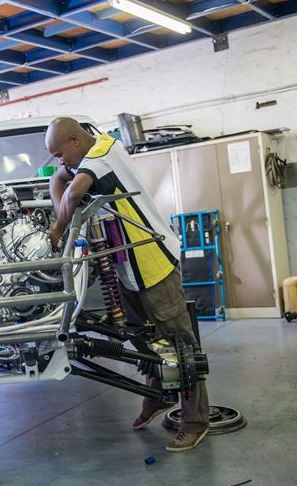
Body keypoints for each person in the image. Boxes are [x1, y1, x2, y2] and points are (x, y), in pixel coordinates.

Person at [45, 117, 210, 452]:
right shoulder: (86, 157)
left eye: (61, 152)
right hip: (128, 267)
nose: (61, 161)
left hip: (153, 261)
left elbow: (74, 192)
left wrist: (57, 231)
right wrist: (57, 198)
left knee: (180, 345)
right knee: (142, 338)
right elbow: (59, 180)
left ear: (76, 139)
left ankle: (195, 422)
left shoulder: (103, 153)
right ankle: (157, 395)